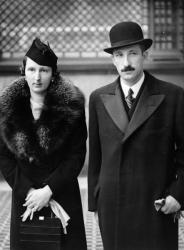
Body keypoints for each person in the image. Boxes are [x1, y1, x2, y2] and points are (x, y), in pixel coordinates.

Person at [88, 21, 184, 250]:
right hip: (113, 207)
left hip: (155, 205)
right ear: (113, 59)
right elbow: (96, 157)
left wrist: (178, 195)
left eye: (133, 54)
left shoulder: (172, 96)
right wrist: (95, 204)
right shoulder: (98, 98)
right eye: (119, 55)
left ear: (145, 55)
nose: (126, 62)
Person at [0, 37, 87, 250]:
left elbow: (76, 156)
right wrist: (29, 192)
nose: (37, 77)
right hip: (25, 199)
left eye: (44, 70)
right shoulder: (7, 108)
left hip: (63, 195)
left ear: (53, 75)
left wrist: (48, 191)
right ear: (23, 71)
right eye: (31, 70)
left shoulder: (71, 107)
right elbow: (4, 156)